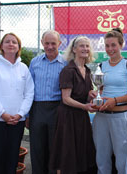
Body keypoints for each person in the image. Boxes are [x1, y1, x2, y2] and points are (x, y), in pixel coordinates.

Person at [0, 33, 34, 174]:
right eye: (7, 41)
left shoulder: (23, 68)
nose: (11, 44)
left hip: (17, 122)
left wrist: (20, 114)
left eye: (14, 42)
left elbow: (29, 93)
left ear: (18, 47)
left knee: (12, 160)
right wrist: (2, 114)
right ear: (1, 46)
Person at [92, 28, 127, 174]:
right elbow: (100, 91)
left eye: (113, 45)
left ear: (121, 45)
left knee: (122, 162)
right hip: (101, 117)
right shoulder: (101, 66)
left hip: (121, 117)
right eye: (107, 46)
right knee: (101, 160)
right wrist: (95, 95)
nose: (110, 49)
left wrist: (115, 100)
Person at [49, 36, 97, 174]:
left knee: (80, 154)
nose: (85, 49)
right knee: (66, 155)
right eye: (82, 46)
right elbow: (66, 99)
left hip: (81, 117)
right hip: (68, 118)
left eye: (87, 46)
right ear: (74, 49)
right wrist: (85, 107)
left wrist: (91, 95)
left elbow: (85, 96)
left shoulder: (87, 70)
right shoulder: (68, 70)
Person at [27, 30, 67, 174]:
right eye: (47, 43)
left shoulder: (66, 63)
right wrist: (27, 115)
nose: (50, 46)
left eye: (53, 43)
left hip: (57, 109)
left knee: (54, 148)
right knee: (37, 148)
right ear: (42, 43)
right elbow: (28, 89)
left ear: (59, 44)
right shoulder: (35, 62)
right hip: (37, 109)